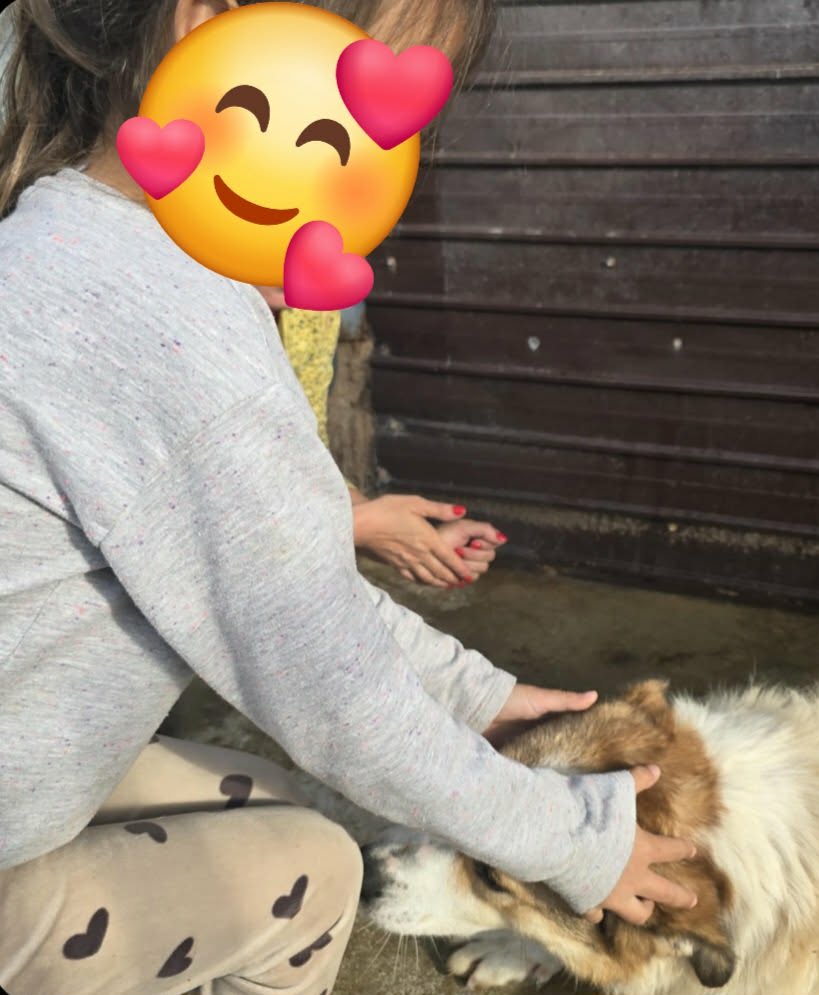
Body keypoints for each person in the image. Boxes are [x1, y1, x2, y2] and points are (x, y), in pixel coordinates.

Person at [0, 3, 699, 995]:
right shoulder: (177, 335)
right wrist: (576, 842)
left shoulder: (68, 239)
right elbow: (337, 701)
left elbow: (291, 596)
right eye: (368, 121)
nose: (381, 176)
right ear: (214, 25)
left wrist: (473, 695)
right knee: (316, 871)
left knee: (275, 799)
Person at [263, 291, 508, 588]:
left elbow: (303, 453)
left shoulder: (311, 310)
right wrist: (362, 527)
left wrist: (413, 539)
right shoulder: (209, 323)